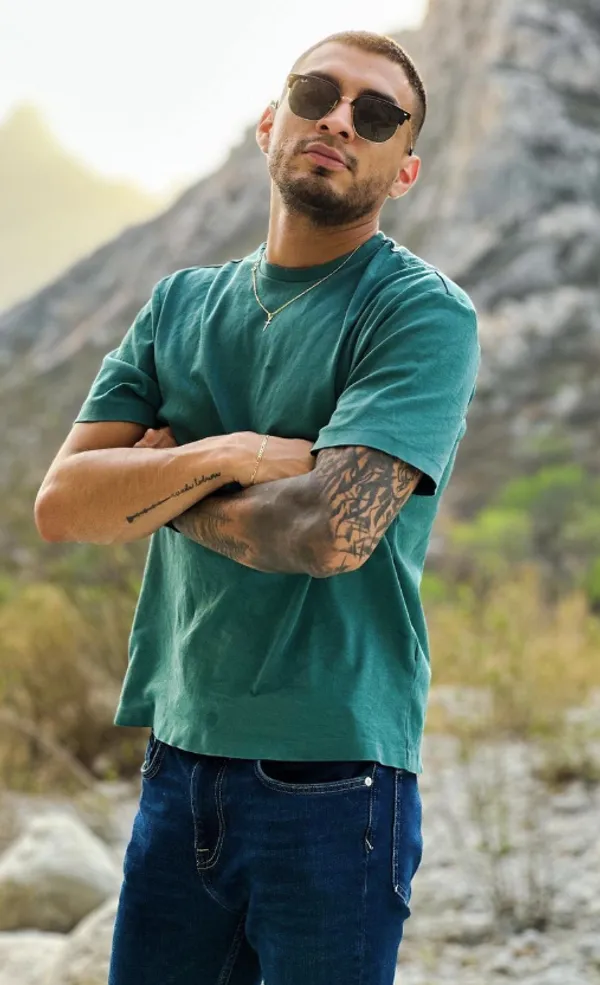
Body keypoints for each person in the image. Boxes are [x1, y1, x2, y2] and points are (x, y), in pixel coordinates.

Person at [34, 29, 480, 985]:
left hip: (334, 776)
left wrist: (156, 489)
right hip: (178, 754)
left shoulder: (418, 311)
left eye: (377, 115)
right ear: (270, 122)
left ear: (404, 172)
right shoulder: (178, 304)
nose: (339, 120)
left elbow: (331, 531)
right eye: (318, 93)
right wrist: (227, 454)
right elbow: (64, 505)